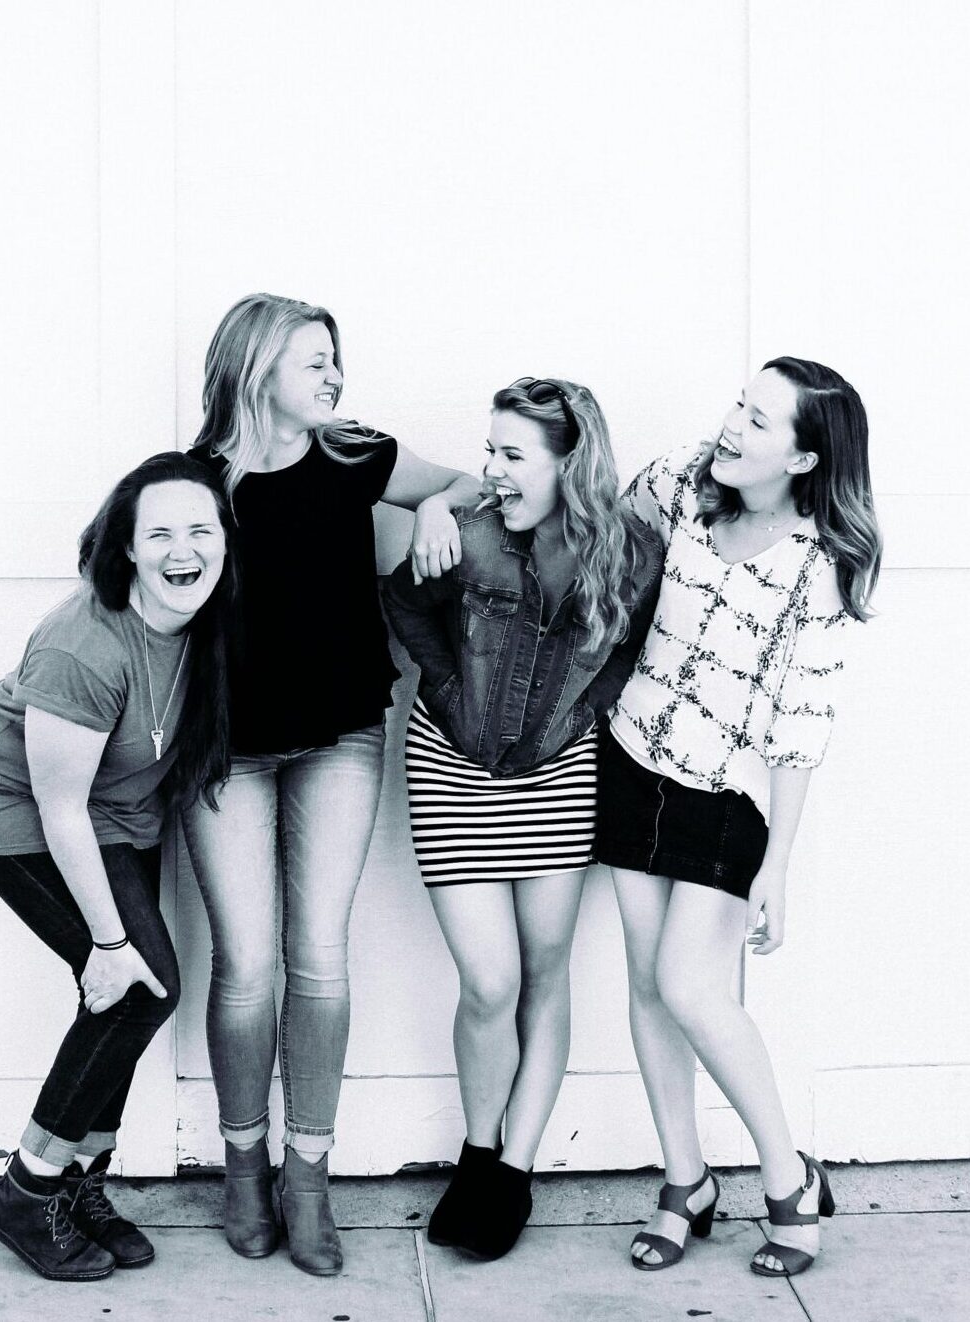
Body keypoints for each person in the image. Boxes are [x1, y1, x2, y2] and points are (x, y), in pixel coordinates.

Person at [183, 292, 479, 1276]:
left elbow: (477, 486)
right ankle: (241, 1161)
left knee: (317, 958)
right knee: (245, 966)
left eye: (334, 361)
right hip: (223, 749)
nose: (332, 376)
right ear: (254, 362)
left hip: (342, 736)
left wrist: (430, 501)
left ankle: (305, 1174)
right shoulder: (189, 484)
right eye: (312, 360)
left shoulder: (360, 459)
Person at [600, 358, 880, 1278]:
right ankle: (685, 1182)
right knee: (646, 982)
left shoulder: (821, 568)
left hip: (729, 792)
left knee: (693, 989)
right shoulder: (683, 479)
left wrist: (779, 864)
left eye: (759, 422)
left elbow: (802, 727)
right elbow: (597, 533)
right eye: (738, 404)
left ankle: (789, 1177)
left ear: (804, 457)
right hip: (632, 754)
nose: (732, 427)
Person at [381, 377, 662, 1260]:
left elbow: (634, 645)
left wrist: (589, 712)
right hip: (453, 770)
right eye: (490, 449)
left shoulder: (631, 553)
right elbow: (403, 605)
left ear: (570, 462)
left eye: (512, 454)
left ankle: (512, 1173)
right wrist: (450, 687)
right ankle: (478, 1146)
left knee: (545, 972)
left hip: (557, 777)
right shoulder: (464, 537)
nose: (491, 469)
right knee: (490, 983)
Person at [0, 452, 238, 1282]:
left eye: (200, 529)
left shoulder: (209, 620)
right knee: (137, 986)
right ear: (127, 550)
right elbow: (59, 807)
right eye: (159, 533)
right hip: (23, 816)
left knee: (124, 1000)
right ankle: (26, 1188)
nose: (182, 550)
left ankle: (80, 1183)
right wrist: (107, 945)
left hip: (119, 815)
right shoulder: (82, 645)